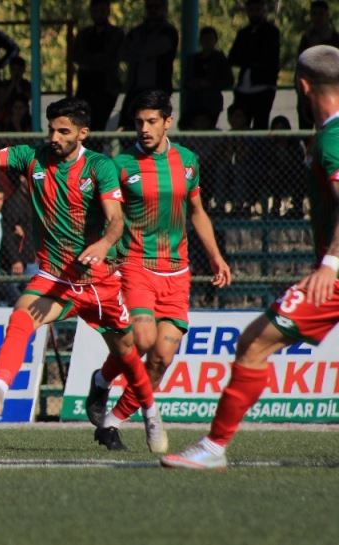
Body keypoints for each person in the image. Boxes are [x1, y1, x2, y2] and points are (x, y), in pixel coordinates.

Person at [0, 98, 166, 452]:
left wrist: (103, 244)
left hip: (101, 280)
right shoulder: (30, 157)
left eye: (64, 131)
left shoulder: (100, 167)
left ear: (83, 134)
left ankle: (151, 416)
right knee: (21, 314)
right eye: (51, 129)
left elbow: (116, 220)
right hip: (56, 277)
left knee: (128, 353)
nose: (55, 136)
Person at [161, 45, 339, 470]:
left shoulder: (332, 137)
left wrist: (330, 265)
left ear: (301, 86)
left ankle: (213, 447)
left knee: (255, 342)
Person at [85, 90, 232, 451]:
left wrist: (216, 255)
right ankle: (103, 380)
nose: (144, 129)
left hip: (177, 272)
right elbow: (102, 215)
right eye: (138, 122)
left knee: (162, 357)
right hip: (136, 266)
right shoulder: (119, 165)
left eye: (152, 121)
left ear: (168, 121)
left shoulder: (188, 161)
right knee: (144, 340)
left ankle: (113, 421)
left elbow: (197, 211)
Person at [118, 0, 178, 129]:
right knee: (127, 125)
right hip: (136, 88)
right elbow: (123, 53)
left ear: (164, 9)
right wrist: (141, 52)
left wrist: (139, 51)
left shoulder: (168, 31)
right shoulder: (137, 31)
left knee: (153, 126)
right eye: (150, 7)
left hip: (158, 88)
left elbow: (155, 49)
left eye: (157, 7)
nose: (153, 10)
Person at [228, 0, 280, 130]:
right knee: (240, 124)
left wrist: (251, 58)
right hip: (243, 88)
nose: (254, 13)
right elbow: (233, 57)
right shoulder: (243, 33)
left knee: (260, 124)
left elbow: (269, 57)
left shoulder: (271, 32)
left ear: (264, 11)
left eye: (258, 10)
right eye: (251, 10)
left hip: (263, 86)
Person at [72, 0, 124, 131]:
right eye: (96, 11)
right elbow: (77, 56)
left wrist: (94, 61)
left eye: (102, 11)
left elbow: (111, 57)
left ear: (108, 11)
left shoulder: (116, 33)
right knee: (82, 124)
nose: (99, 15)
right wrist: (96, 61)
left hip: (106, 89)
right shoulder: (84, 34)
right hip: (85, 88)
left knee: (100, 125)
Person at [296, 1, 339, 129]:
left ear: (327, 15)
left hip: (330, 90)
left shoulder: (335, 39)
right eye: (314, 14)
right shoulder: (306, 38)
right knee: (306, 127)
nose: (317, 17)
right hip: (308, 91)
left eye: (321, 14)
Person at [181, 27, 233, 130]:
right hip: (194, 101)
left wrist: (210, 84)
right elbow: (186, 81)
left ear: (215, 41)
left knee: (208, 128)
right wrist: (195, 84)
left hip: (212, 102)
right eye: (205, 39)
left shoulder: (220, 58)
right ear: (200, 40)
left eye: (210, 39)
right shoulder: (193, 59)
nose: (207, 42)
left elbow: (229, 81)